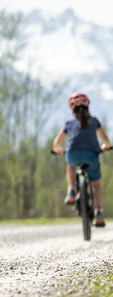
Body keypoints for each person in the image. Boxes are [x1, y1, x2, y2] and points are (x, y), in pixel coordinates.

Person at [52, 92, 112, 227]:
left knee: (70, 163)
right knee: (96, 184)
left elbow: (56, 143)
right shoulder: (95, 120)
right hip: (92, 155)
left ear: (72, 108)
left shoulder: (68, 122)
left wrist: (58, 150)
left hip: (73, 154)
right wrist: (105, 147)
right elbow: (106, 141)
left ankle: (71, 190)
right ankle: (99, 212)